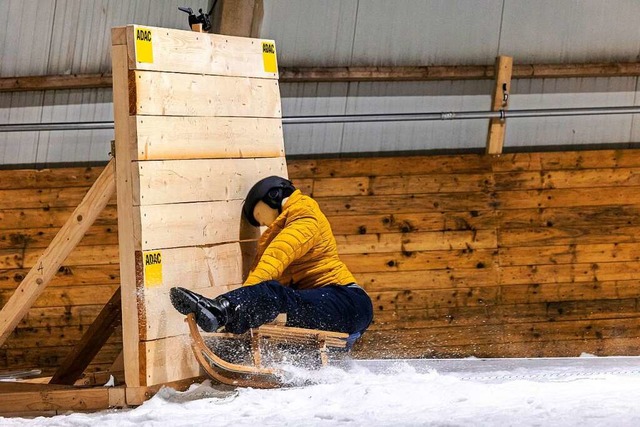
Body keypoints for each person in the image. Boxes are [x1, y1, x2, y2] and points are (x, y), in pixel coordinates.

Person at [170, 176, 373, 344]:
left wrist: (245, 296)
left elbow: (278, 254)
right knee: (281, 305)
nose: (266, 224)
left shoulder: (305, 215)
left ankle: (220, 310)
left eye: (262, 217)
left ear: (274, 196)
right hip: (331, 308)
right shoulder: (288, 223)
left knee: (274, 295)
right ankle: (231, 331)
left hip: (348, 301)